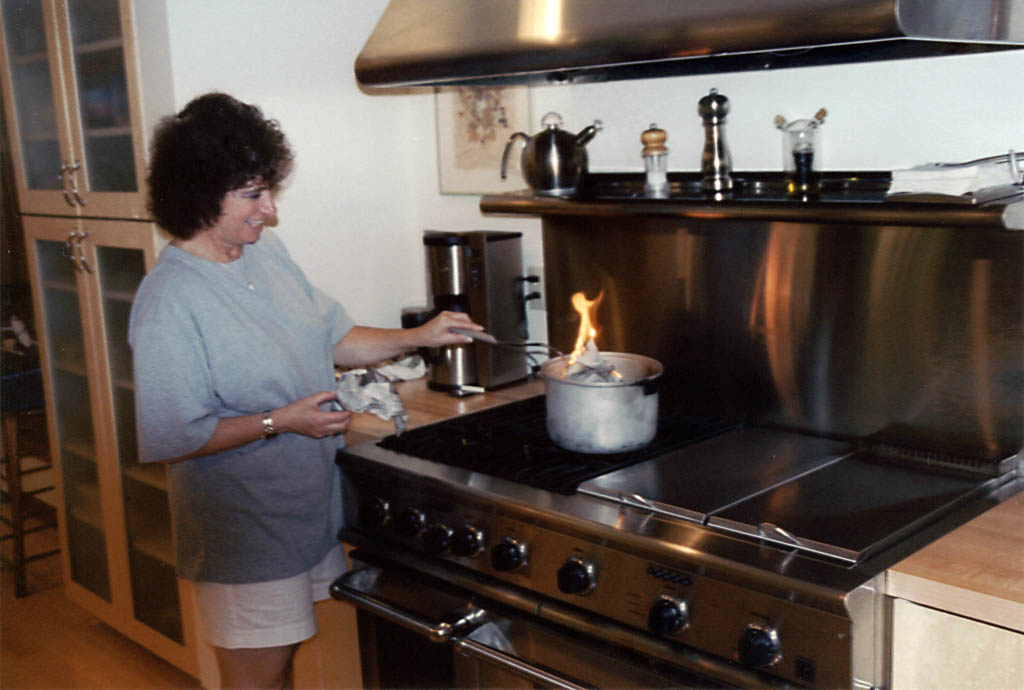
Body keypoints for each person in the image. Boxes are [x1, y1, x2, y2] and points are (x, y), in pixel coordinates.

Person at [128, 92, 480, 689]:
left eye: (269, 191)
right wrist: (281, 421)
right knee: (257, 679)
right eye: (252, 194)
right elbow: (172, 437)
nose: (270, 211)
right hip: (241, 528)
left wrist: (422, 334)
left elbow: (333, 337)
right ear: (198, 192)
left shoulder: (264, 256)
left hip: (302, 511)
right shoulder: (169, 301)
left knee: (282, 664)